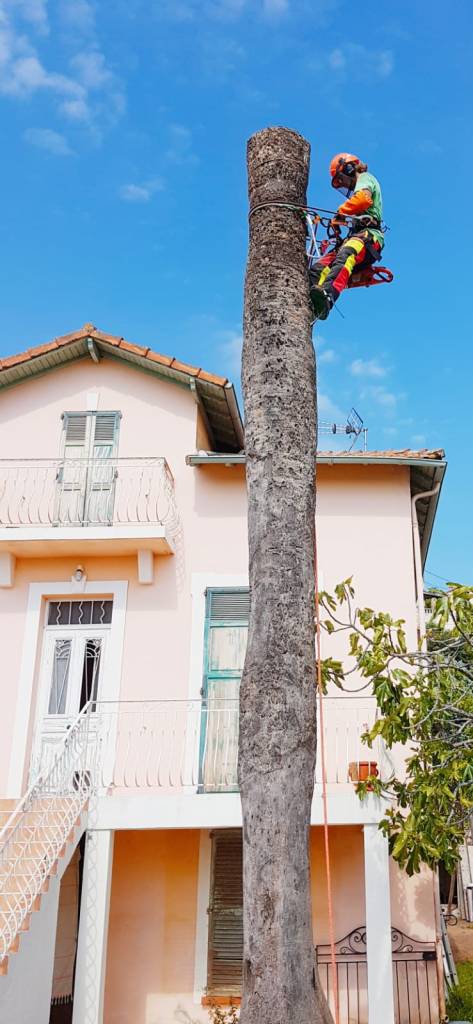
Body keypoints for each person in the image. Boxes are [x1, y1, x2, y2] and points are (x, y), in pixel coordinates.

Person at [309, 153, 384, 320]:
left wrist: (341, 212)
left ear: (349, 168)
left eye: (342, 179)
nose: (344, 184)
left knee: (346, 254)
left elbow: (362, 200)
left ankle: (327, 296)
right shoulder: (357, 191)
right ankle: (310, 303)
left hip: (369, 237)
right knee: (317, 269)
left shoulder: (365, 177)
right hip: (355, 237)